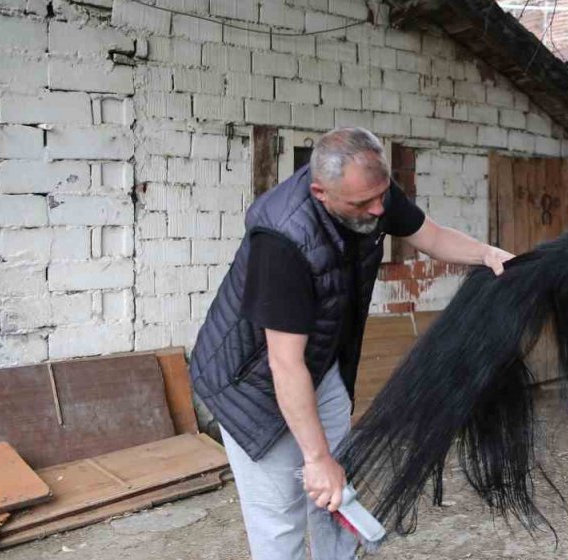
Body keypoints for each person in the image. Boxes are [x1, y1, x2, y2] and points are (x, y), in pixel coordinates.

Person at [189, 127, 514, 560]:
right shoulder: (281, 240)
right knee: (280, 521)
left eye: (382, 196)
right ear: (321, 191)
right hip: (250, 383)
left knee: (337, 496)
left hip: (318, 366)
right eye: (363, 204)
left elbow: (430, 236)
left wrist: (487, 254)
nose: (379, 210)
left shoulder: (369, 191)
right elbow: (285, 366)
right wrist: (317, 458)